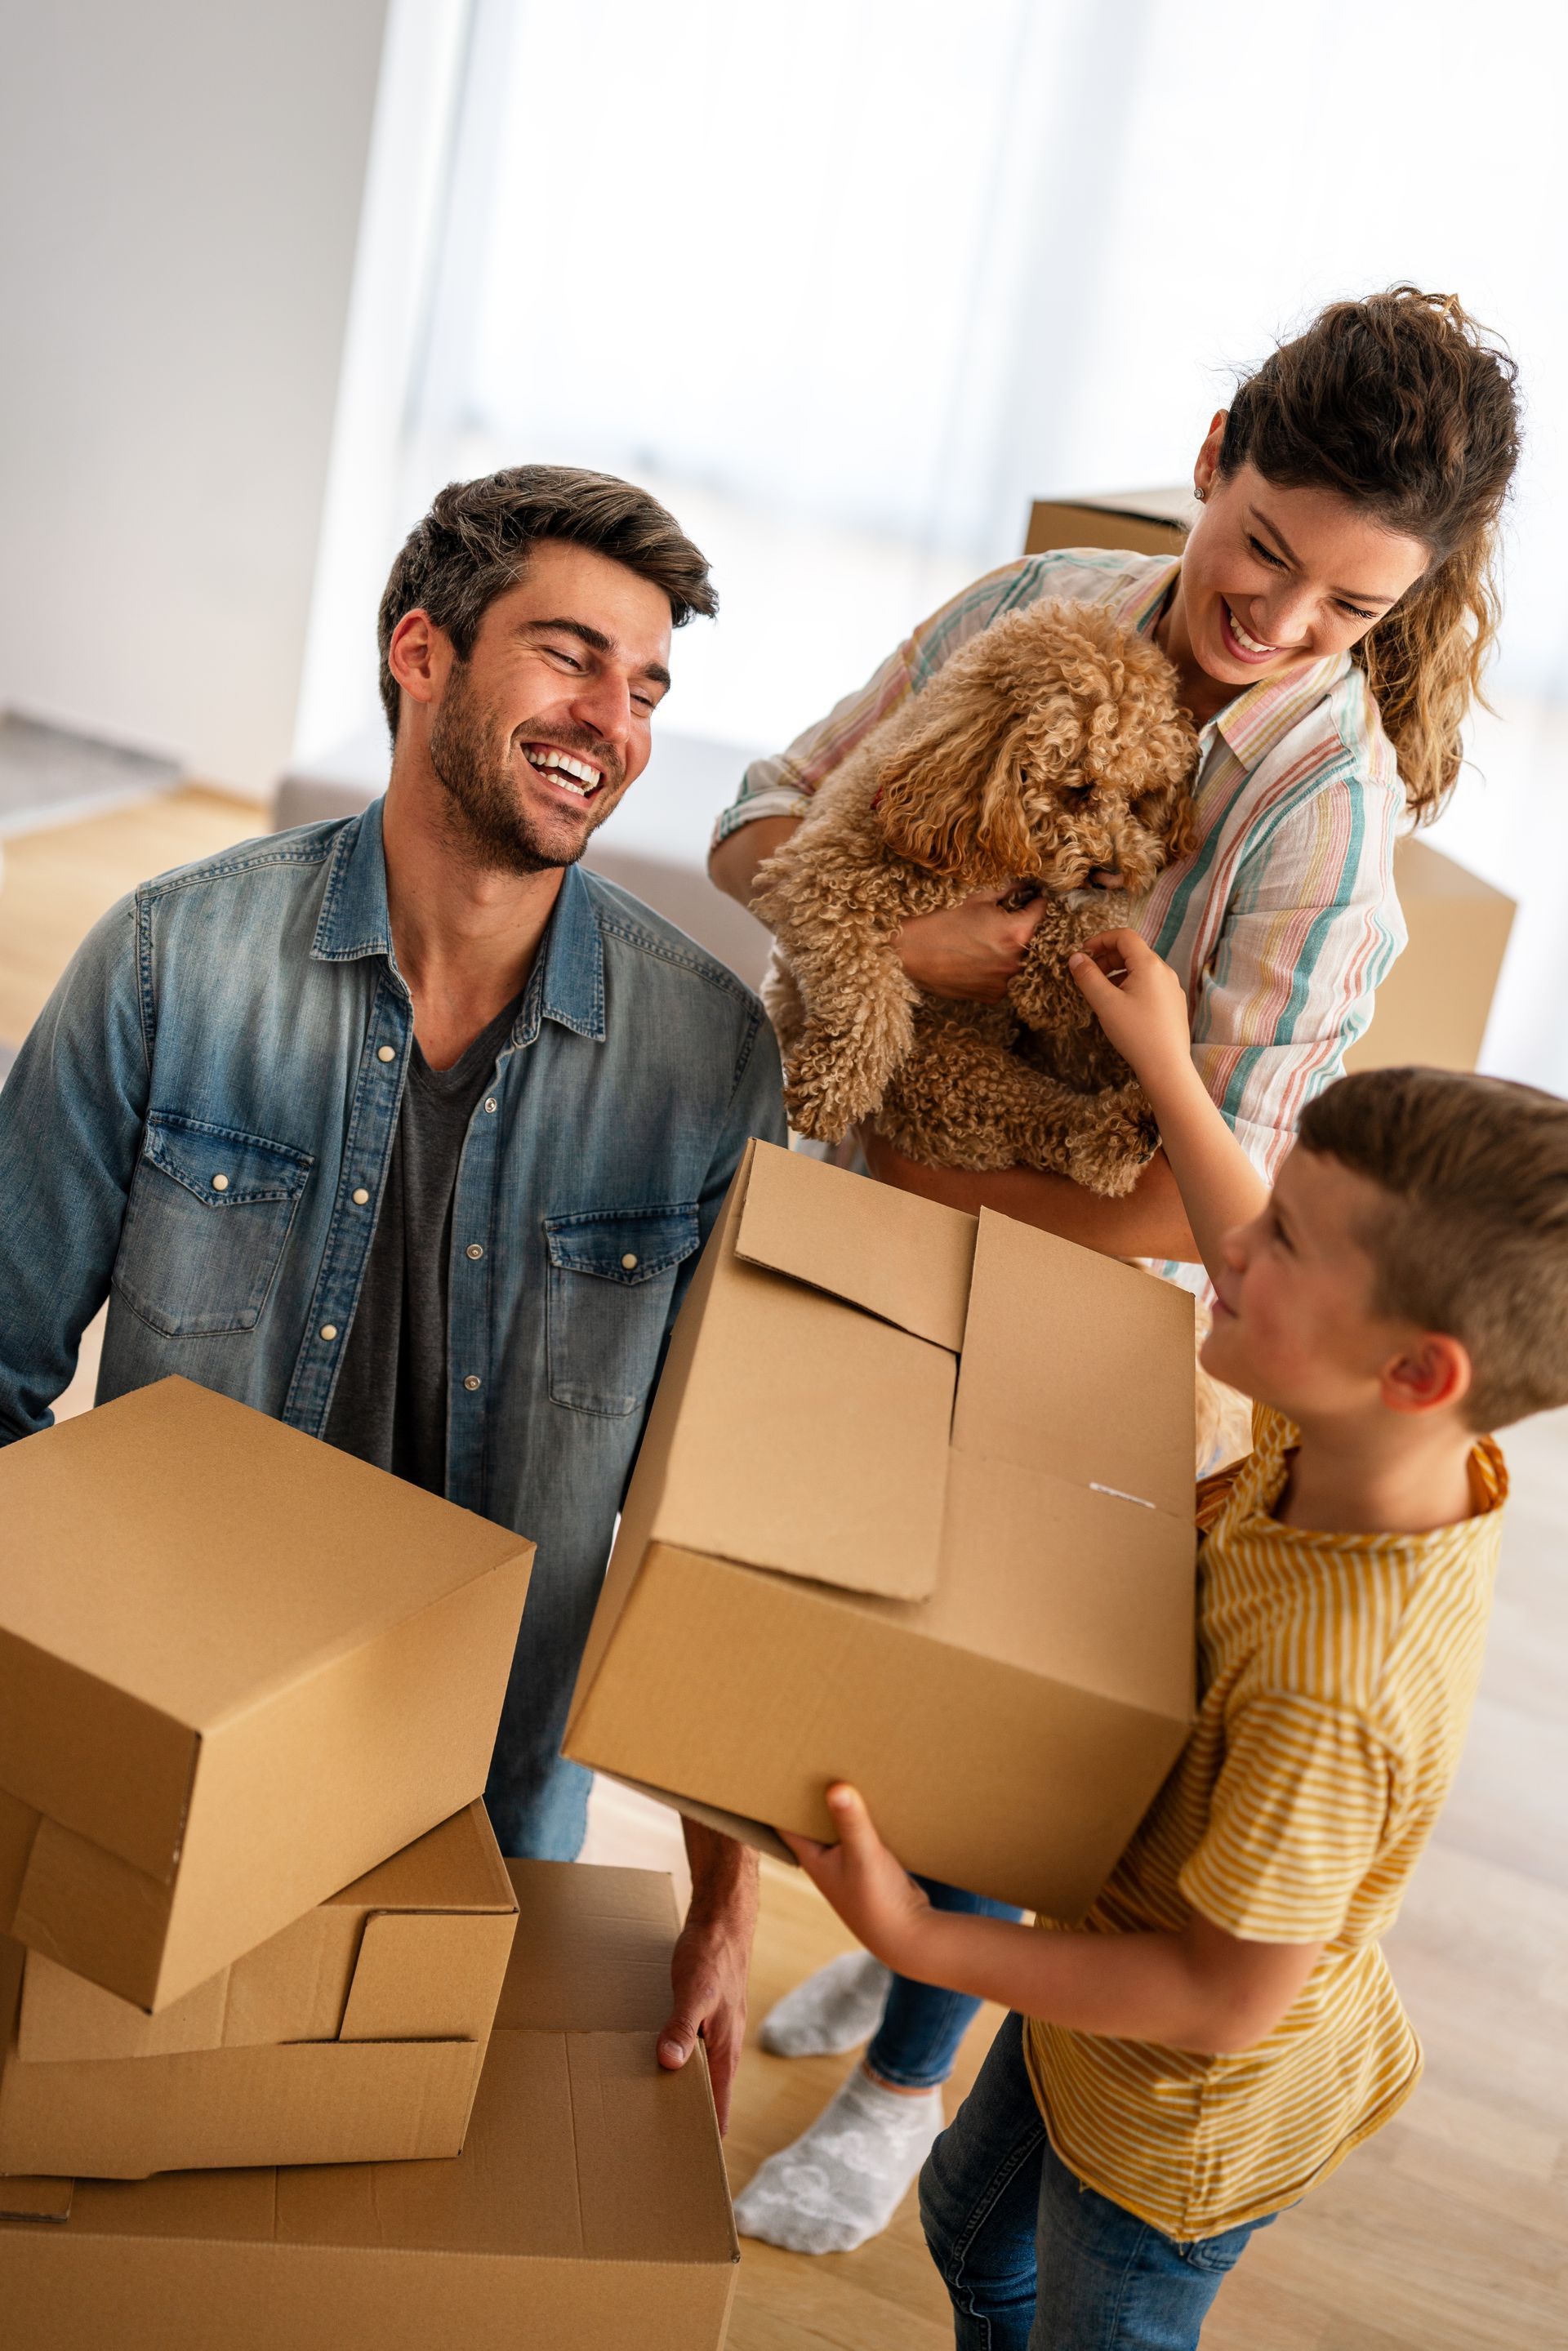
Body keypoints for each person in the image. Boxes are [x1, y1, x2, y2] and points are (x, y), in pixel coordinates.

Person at [712, 286, 1521, 2251]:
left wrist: (921, 1167)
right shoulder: (1035, 606)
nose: (1278, 622)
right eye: (1264, 553)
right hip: (850, 1217)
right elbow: (762, 825)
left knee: (990, 1700)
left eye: (1346, 609)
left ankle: (915, 2065)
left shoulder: (1327, 826)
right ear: (1219, 450)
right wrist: (898, 963)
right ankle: (897, 1950)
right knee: (839, 1630)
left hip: (1075, 1317)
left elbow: (1213, 1197)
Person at [0, 465, 786, 2129]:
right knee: (117, 2184)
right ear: (419, 650)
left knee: (377, 2194)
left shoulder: (709, 1059)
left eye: (645, 686)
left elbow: (723, 1525)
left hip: (496, 1797)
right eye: (569, 656)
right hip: (171, 1740)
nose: (612, 720)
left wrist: (727, 1902)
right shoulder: (170, 961)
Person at [783, 932, 1568, 2347]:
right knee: (969, 2222)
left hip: (1172, 2119)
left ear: (1416, 1370)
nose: (1227, 1250)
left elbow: (1217, 1998)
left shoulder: (1340, 1689)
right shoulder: (1366, 1440)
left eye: (1285, 1246)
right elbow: (1246, 1239)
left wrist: (913, 1935)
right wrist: (1167, 1063)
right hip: (1103, 1985)